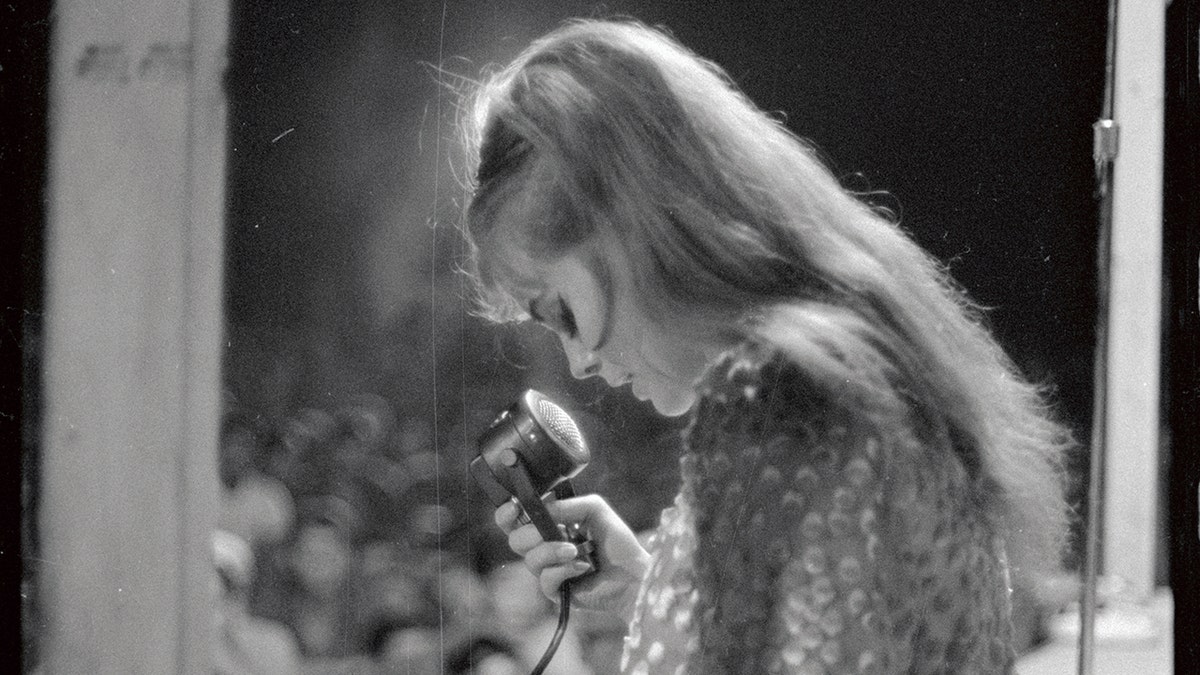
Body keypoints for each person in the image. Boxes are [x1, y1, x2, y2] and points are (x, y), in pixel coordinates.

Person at [461, 19, 1072, 674]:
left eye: (562, 312)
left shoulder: (772, 397)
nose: (580, 361)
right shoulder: (850, 362)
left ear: (637, 235)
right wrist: (656, 589)